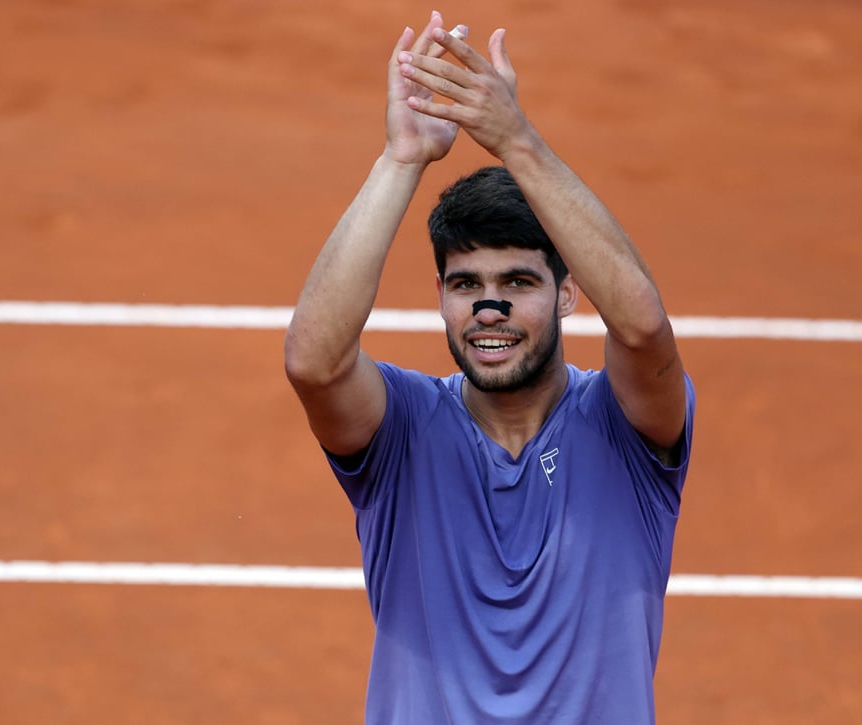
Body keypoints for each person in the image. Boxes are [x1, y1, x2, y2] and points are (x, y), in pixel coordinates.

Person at [284, 11, 695, 724]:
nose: (490, 306)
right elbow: (314, 363)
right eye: (466, 285)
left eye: (519, 282)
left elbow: (642, 323)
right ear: (441, 298)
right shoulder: (403, 431)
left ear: (569, 293)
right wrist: (402, 159)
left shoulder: (630, 428)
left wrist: (514, 139)